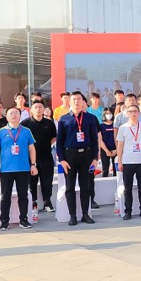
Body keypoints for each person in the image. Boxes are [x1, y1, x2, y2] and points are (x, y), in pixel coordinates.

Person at [56, 91, 101, 226]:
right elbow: (59, 142)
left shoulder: (90, 118)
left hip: (86, 155)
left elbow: (94, 139)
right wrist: (62, 159)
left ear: (83, 102)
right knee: (70, 186)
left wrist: (95, 158)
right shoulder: (63, 119)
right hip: (69, 156)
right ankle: (72, 216)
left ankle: (85, 214)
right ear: (69, 101)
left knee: (85, 186)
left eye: (79, 99)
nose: (76, 102)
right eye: (74, 99)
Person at [0, 108, 37, 230]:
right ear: (6, 117)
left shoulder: (26, 131)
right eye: (11, 113)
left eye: (16, 113)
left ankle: (24, 220)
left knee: (23, 196)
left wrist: (33, 164)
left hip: (23, 168)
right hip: (6, 169)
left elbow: (32, 149)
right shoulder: (1, 132)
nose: (14, 115)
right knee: (5, 196)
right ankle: (4, 221)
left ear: (20, 116)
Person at [115, 105, 141, 220]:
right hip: (127, 161)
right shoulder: (123, 128)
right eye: (130, 111)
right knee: (128, 188)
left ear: (138, 113)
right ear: (127, 113)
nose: (133, 113)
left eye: (135, 111)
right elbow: (120, 145)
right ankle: (128, 211)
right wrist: (120, 161)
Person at [22, 101, 58, 215]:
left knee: (47, 181)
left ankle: (47, 202)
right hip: (30, 159)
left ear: (44, 109)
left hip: (46, 156)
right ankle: (33, 202)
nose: (38, 109)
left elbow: (53, 137)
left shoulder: (49, 123)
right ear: (31, 110)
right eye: (36, 107)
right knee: (31, 181)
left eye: (40, 107)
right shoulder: (25, 123)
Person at [98, 109, 118, 179]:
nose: (109, 115)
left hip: (115, 149)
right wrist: (106, 151)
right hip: (105, 150)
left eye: (110, 113)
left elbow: (119, 138)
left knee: (116, 171)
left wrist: (117, 150)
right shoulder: (101, 126)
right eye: (107, 114)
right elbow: (100, 139)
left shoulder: (115, 125)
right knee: (105, 170)